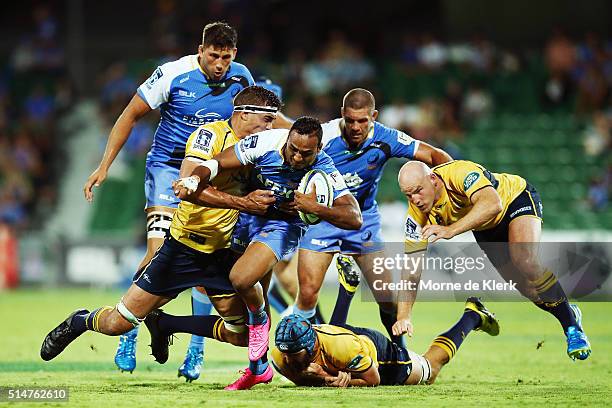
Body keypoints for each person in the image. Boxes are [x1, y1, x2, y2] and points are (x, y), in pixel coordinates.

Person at [40, 87, 281, 391]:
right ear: (245, 113)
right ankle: (80, 321)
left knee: (243, 335)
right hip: (183, 249)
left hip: (221, 254)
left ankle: (166, 323)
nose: (271, 128)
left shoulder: (259, 147)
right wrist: (244, 203)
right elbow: (188, 186)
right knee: (118, 323)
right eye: (267, 120)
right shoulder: (210, 136)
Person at [82, 22, 255, 379]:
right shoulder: (173, 74)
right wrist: (104, 166)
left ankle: (195, 350)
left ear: (233, 54)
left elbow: (255, 125)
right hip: (169, 169)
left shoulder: (242, 78)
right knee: (157, 252)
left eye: (225, 57)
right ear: (200, 50)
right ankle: (129, 331)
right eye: (213, 56)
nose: (219, 64)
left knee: (205, 261)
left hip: (210, 174)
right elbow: (130, 114)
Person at [172, 116, 362, 389]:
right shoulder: (264, 143)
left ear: (318, 150)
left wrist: (314, 207)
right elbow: (215, 163)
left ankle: (259, 322)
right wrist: (193, 179)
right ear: (287, 139)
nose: (297, 158)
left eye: (305, 153)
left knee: (241, 279)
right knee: (234, 297)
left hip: (280, 226)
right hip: (245, 214)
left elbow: (354, 217)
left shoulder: (325, 168)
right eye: (293, 149)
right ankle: (258, 369)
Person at [293, 88, 452, 345]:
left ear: (374, 117)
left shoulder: (385, 137)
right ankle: (304, 354)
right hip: (323, 219)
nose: (356, 127)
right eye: (351, 120)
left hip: (364, 220)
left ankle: (400, 355)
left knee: (388, 298)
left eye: (363, 121)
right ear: (342, 114)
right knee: (308, 293)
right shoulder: (324, 136)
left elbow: (435, 156)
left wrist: (445, 195)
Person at [398, 160, 591, 360]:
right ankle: (568, 310)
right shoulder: (416, 216)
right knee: (527, 288)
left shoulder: (459, 173)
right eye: (408, 195)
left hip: (514, 200)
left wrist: (450, 230)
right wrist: (404, 315)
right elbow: (411, 269)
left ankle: (572, 328)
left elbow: (493, 204)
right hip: (485, 227)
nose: (415, 199)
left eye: (418, 190)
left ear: (433, 179)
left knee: (524, 259)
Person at [271, 297, 499, 387]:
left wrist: (335, 380)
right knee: (340, 351)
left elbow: (374, 380)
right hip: (344, 344)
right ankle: (346, 290)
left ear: (310, 347)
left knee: (430, 370)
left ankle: (472, 316)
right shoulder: (280, 355)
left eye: (294, 353)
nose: (288, 359)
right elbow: (302, 381)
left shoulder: (342, 346)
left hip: (378, 355)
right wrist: (323, 378)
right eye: (286, 353)